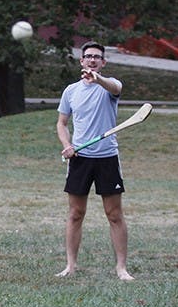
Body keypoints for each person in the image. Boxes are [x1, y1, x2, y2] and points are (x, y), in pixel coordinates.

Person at [55, 41, 134, 282]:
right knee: (75, 213)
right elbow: (61, 123)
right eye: (88, 56)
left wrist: (97, 78)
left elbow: (112, 86)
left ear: (103, 62)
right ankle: (70, 266)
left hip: (107, 157)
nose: (92, 60)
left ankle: (121, 268)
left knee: (114, 214)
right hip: (80, 158)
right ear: (81, 61)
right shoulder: (71, 91)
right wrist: (67, 145)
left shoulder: (111, 87)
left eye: (97, 57)